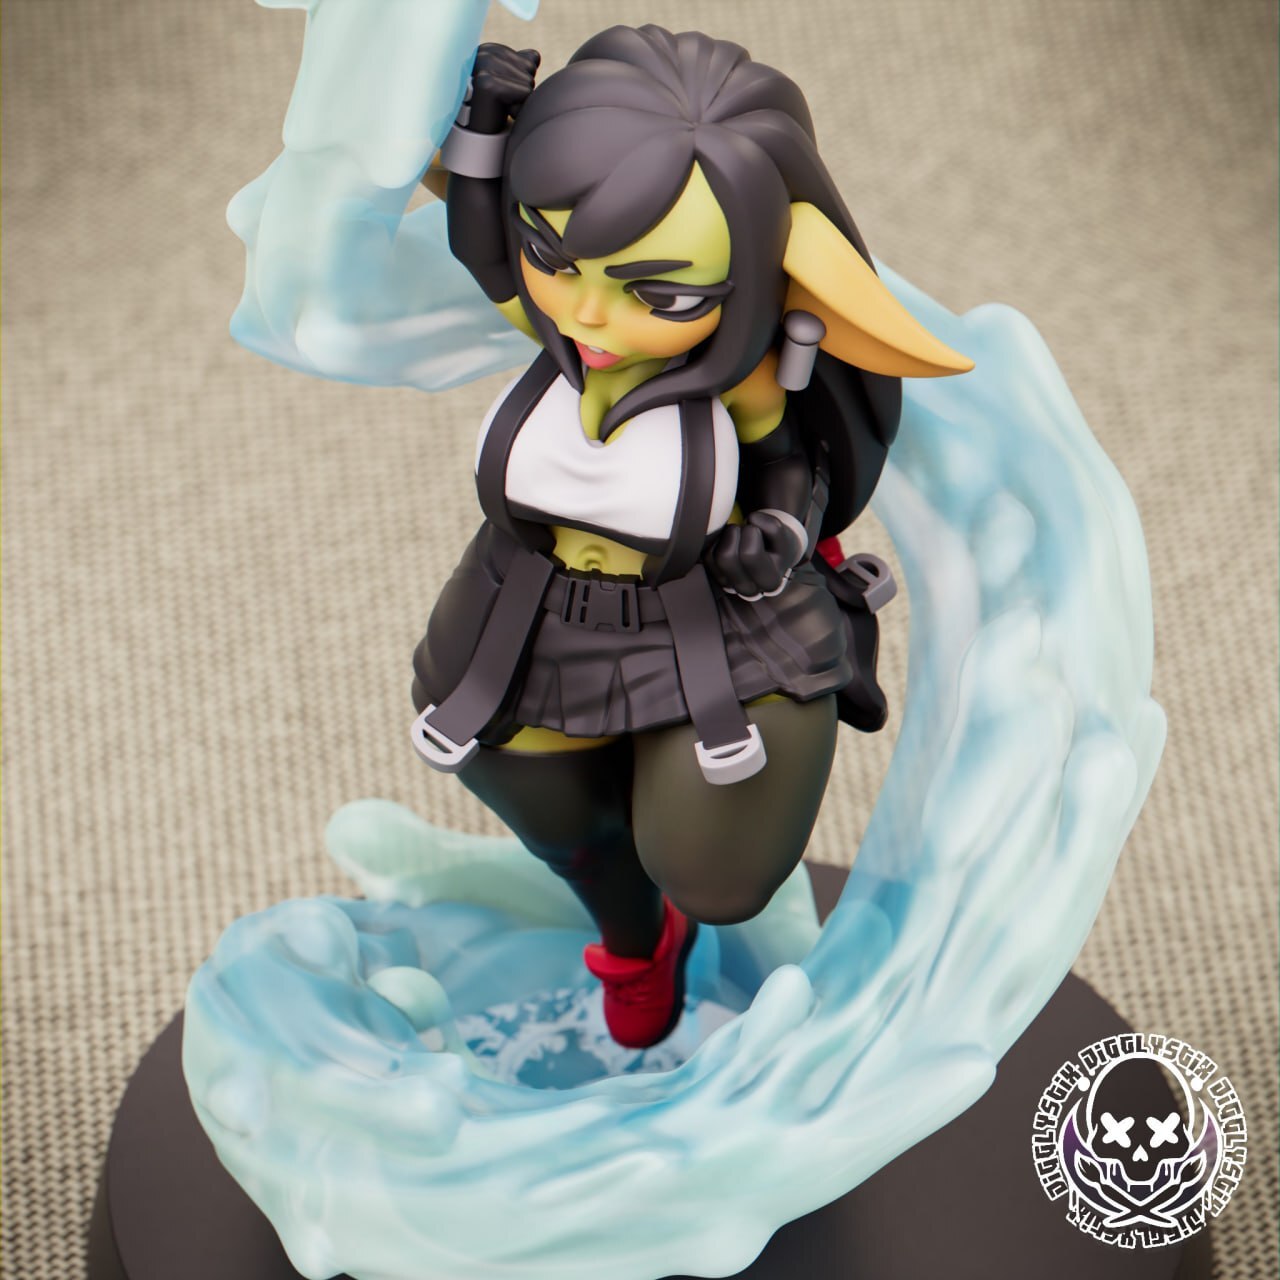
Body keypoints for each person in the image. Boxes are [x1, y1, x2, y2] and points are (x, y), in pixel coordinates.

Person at [411, 25, 971, 1049]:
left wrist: (780, 529)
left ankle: (677, 865)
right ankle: (635, 943)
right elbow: (486, 246)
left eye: (658, 293)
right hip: (538, 605)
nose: (589, 314)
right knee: (537, 797)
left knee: (714, 871)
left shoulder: (743, 378)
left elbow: (791, 461)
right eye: (557, 259)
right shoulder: (558, 329)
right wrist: (484, 125)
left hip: (708, 612)